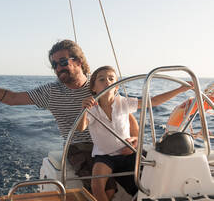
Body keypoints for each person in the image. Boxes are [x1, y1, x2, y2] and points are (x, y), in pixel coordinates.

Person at [0, 39, 139, 195]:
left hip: (114, 142)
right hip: (80, 145)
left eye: (63, 62)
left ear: (79, 61)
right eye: (54, 65)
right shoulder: (51, 92)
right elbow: (13, 99)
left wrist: (134, 139)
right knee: (106, 190)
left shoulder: (99, 83)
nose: (58, 68)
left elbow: (125, 114)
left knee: (149, 172)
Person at [78, 65, 193, 201]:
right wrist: (83, 110)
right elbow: (81, 127)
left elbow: (153, 101)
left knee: (157, 173)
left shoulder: (123, 103)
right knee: (97, 186)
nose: (107, 82)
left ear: (116, 87)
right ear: (93, 87)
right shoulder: (92, 109)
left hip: (128, 152)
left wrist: (181, 89)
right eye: (102, 79)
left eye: (111, 79)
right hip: (104, 157)